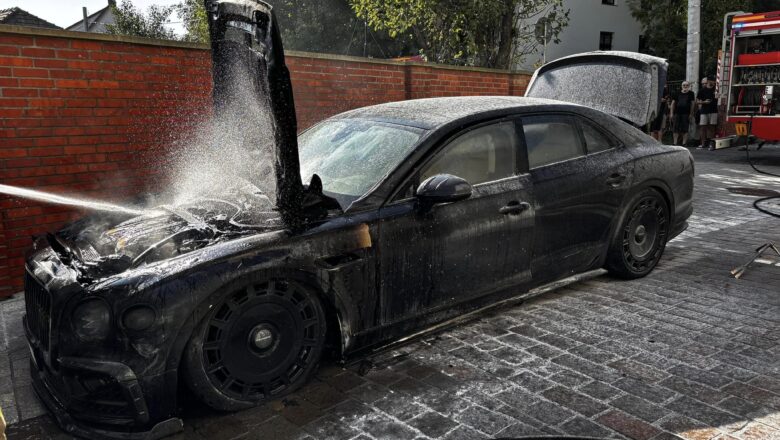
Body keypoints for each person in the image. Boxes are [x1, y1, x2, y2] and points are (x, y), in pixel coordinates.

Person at [696, 76, 718, 149]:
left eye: (714, 81)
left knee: (712, 127)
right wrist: (704, 102)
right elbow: (697, 101)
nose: (713, 82)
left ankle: (711, 143)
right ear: (708, 81)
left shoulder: (716, 90)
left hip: (714, 110)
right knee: (703, 127)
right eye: (712, 81)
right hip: (704, 111)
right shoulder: (702, 90)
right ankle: (703, 143)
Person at [671, 81, 695, 146]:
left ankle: (684, 143)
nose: (685, 86)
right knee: (675, 128)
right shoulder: (677, 93)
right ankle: (675, 143)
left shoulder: (691, 93)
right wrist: (671, 113)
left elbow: (692, 104)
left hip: (686, 113)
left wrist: (691, 114)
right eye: (684, 85)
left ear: (689, 86)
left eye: (687, 85)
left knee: (685, 128)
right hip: (677, 113)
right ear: (681, 86)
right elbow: (673, 103)